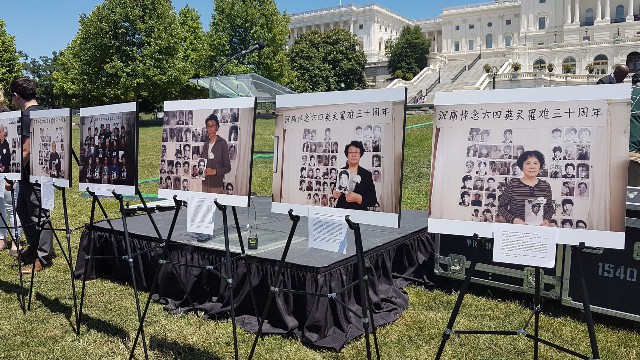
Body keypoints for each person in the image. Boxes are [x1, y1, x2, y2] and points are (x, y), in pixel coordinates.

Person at [10, 78, 52, 273]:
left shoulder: (27, 116)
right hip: (41, 171)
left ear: (16, 95)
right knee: (23, 209)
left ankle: (42, 258)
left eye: (12, 97)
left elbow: (25, 150)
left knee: (39, 214)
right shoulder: (45, 112)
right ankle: (34, 248)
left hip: (34, 173)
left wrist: (13, 174)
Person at [497, 150, 554, 225]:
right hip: (516, 229)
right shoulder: (513, 184)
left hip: (539, 229)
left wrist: (547, 219)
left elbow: (550, 208)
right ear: (521, 166)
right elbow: (501, 207)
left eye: (536, 163)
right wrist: (514, 220)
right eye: (528, 163)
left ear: (540, 167)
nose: (532, 167)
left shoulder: (546, 186)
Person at [332, 141, 377, 210]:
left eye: (356, 152)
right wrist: (335, 194)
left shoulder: (366, 174)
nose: (353, 155)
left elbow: (373, 200)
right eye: (350, 152)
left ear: (360, 155)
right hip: (342, 211)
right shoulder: (341, 172)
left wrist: (358, 198)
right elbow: (336, 191)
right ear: (347, 155)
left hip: (359, 213)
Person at [200, 113, 231, 193]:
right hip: (204, 185)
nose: (210, 128)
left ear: (217, 127)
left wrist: (215, 171)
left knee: (215, 205)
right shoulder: (205, 144)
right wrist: (199, 169)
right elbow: (203, 163)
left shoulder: (222, 143)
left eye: (213, 125)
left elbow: (228, 168)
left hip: (216, 186)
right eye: (208, 126)